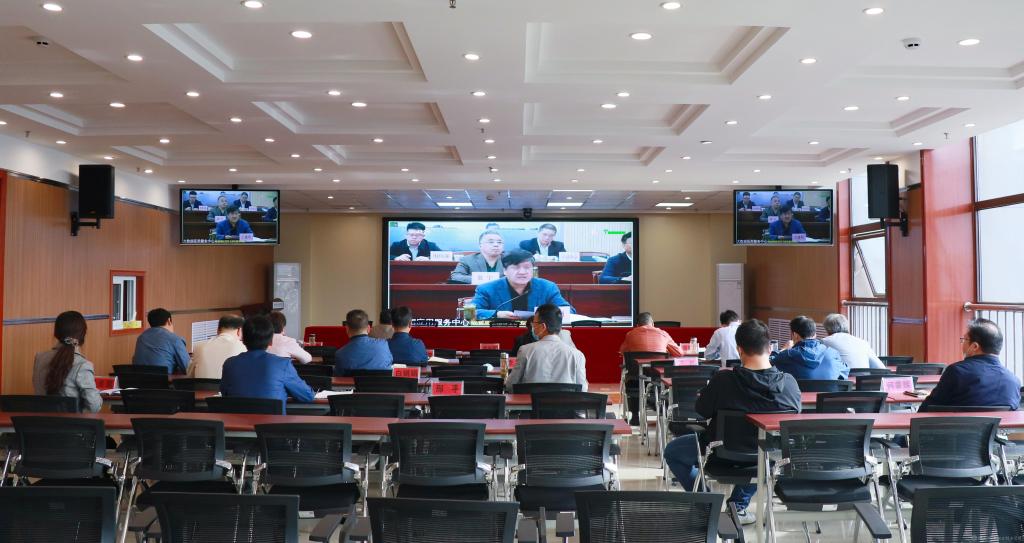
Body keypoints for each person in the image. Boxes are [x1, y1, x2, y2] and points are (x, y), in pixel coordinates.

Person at [663, 319, 801, 523]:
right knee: (760, 453)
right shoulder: (789, 383)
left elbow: (701, 411)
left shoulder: (723, 380)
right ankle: (738, 506)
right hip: (767, 456)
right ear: (770, 348)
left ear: (739, 350)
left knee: (673, 452)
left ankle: (706, 502)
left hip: (719, 452)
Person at [919, 319, 1021, 411]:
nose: (962, 343)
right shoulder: (1014, 381)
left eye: (964, 340)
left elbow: (926, 409)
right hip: (995, 427)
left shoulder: (957, 371)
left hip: (954, 426)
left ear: (975, 346)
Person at [220, 315, 315, 414]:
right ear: (270, 342)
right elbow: (307, 396)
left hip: (236, 422)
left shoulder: (229, 364)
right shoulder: (282, 364)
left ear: (243, 340)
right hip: (272, 423)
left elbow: (225, 394)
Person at [32, 310, 102, 413]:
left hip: (41, 422)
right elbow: (94, 407)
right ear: (83, 335)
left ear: (56, 333)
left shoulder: (39, 358)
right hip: (72, 423)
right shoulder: (83, 365)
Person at [506, 304, 588, 392]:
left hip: (531, 401)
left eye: (534, 323)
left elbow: (510, 385)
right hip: (565, 401)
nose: (533, 326)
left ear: (543, 326)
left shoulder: (525, 351)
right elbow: (583, 389)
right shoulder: (578, 355)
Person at [470, 249, 572, 320]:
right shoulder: (487, 289)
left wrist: (550, 313)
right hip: (501, 333)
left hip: (538, 335)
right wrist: (497, 314)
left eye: (527, 267)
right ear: (505, 270)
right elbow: (471, 312)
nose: (522, 272)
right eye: (516, 267)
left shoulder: (547, 287)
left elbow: (569, 310)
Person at [771, 316, 848, 380]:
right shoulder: (831, 353)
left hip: (798, 394)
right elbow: (844, 373)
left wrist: (783, 349)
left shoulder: (787, 355)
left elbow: (768, 364)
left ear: (795, 335)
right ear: (815, 334)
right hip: (827, 393)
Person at [333, 309, 393, 376]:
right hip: (381, 383)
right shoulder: (383, 345)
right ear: (368, 328)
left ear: (347, 329)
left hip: (353, 383)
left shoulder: (340, 354)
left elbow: (338, 377)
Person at [132, 308, 190, 374]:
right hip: (164, 380)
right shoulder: (174, 339)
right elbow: (188, 369)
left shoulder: (141, 338)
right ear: (169, 321)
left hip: (139, 380)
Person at [819, 313, 885, 369]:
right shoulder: (863, 343)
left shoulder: (824, 342)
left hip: (840, 380)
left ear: (827, 329)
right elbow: (881, 368)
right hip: (862, 379)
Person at [619, 312, 684, 357]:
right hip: (657, 371)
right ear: (653, 324)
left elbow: (622, 353)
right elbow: (679, 353)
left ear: (637, 325)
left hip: (637, 371)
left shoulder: (630, 334)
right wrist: (666, 351)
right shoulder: (664, 334)